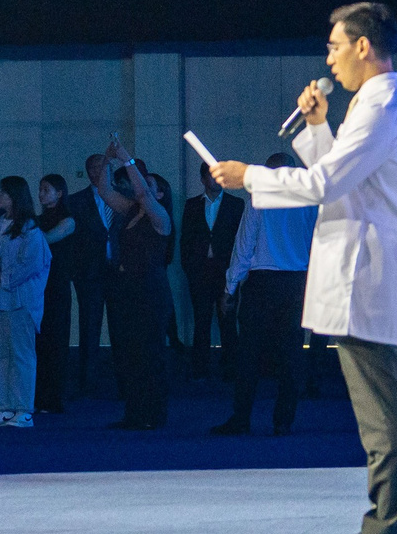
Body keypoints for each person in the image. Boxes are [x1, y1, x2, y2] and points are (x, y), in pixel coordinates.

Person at [208, 2, 397, 534]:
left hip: (366, 270)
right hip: (357, 265)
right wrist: (317, 125)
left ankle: (384, 533)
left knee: (380, 412)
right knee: (375, 410)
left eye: (333, 45)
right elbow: (344, 178)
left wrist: (248, 176)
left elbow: (327, 182)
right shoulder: (371, 106)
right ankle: (383, 530)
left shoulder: (381, 107)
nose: (327, 56)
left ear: (361, 47)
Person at [216, 153, 313, 436]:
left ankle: (242, 417)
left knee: (249, 354)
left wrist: (229, 287)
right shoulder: (310, 201)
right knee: (292, 354)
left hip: (262, 282)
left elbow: (244, 244)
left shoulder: (260, 197)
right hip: (297, 282)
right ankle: (283, 420)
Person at [96, 148, 176, 430]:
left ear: (161, 194)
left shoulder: (161, 217)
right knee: (130, 353)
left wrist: (127, 159)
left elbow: (142, 193)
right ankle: (134, 412)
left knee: (150, 353)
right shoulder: (129, 210)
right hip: (128, 289)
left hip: (151, 291)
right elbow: (103, 187)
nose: (142, 185)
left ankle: (153, 414)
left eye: (150, 183)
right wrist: (108, 158)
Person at [0, 175, 52, 427]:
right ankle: (5, 406)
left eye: (4, 193)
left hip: (19, 300)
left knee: (22, 354)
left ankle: (24, 409)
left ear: (15, 197)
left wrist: (0, 278)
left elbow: (30, 265)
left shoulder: (31, 229)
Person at [180, 167, 244, 383]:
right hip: (200, 270)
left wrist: (237, 271)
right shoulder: (192, 204)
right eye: (211, 176)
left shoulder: (236, 204)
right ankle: (200, 368)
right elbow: (186, 239)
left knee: (228, 320)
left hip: (227, 271)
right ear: (203, 179)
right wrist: (189, 267)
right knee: (201, 320)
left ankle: (231, 368)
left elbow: (240, 239)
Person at [62, 153, 116, 401]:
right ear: (88, 171)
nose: (100, 171)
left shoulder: (123, 196)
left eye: (104, 166)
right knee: (89, 327)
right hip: (89, 274)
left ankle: (122, 378)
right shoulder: (76, 201)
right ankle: (88, 379)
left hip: (119, 272)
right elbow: (72, 243)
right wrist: (76, 273)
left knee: (121, 328)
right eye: (94, 167)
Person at [32, 176, 74, 413]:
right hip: (40, 285)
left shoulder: (68, 220)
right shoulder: (38, 220)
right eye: (40, 189)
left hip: (56, 285)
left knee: (55, 340)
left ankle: (53, 396)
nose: (41, 194)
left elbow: (45, 242)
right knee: (40, 341)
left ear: (59, 193)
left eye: (46, 190)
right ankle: (40, 394)